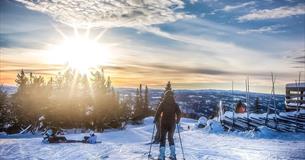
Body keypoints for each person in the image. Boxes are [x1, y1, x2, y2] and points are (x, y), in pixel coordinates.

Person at [154, 90, 181, 160]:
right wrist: (177, 120)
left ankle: (161, 156)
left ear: (165, 96)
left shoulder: (163, 103)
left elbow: (158, 112)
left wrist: (155, 119)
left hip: (164, 123)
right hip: (172, 124)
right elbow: (179, 113)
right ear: (172, 96)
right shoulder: (175, 104)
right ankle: (173, 155)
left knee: (162, 138)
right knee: (170, 138)